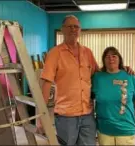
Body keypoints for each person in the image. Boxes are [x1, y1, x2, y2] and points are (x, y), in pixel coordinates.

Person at [39, 15, 98, 145]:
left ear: (80, 30)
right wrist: (41, 116)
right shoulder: (54, 53)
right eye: (69, 26)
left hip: (87, 114)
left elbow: (99, 75)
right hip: (66, 116)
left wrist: (121, 69)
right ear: (63, 30)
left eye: (76, 26)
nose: (73, 29)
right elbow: (46, 84)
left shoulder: (87, 52)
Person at [91, 46, 135, 145]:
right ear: (103, 60)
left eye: (114, 56)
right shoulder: (97, 78)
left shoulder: (130, 76)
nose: (111, 58)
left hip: (126, 128)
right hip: (104, 129)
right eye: (107, 56)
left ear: (119, 59)